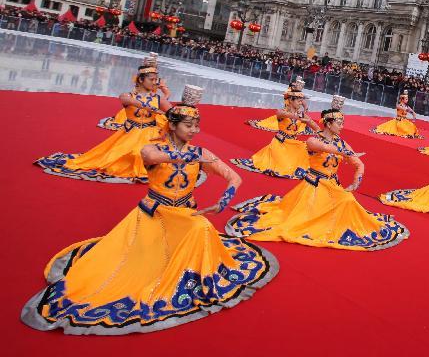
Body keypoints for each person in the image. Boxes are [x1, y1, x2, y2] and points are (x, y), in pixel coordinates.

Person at [21, 85, 278, 334]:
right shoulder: (151, 148)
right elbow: (154, 159)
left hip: (186, 214)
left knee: (201, 227)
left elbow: (235, 178)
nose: (194, 131)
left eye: (196, 126)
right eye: (188, 125)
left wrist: (223, 202)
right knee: (132, 268)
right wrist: (193, 156)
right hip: (154, 214)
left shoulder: (202, 152)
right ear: (173, 126)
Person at [227, 96, 409, 251]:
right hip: (313, 186)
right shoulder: (313, 140)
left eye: (342, 123)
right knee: (300, 220)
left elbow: (359, 164)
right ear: (328, 124)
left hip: (332, 186)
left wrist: (355, 183)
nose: (342, 126)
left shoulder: (342, 143)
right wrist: (343, 153)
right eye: (339, 123)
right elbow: (322, 146)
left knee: (348, 200)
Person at [35, 54, 174, 183]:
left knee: (150, 157)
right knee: (114, 158)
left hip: (151, 135)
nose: (155, 82)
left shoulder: (158, 97)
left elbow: (172, 113)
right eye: (151, 79)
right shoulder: (128, 96)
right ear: (141, 79)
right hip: (131, 133)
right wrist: (148, 107)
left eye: (156, 80)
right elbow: (126, 99)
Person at [232, 80, 319, 178]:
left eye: (301, 101)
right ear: (291, 100)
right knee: (283, 166)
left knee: (309, 153)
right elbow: (284, 114)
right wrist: (297, 117)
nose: (300, 103)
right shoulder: (281, 112)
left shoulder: (302, 114)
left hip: (293, 143)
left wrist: (322, 133)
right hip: (280, 144)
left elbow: (313, 125)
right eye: (298, 101)